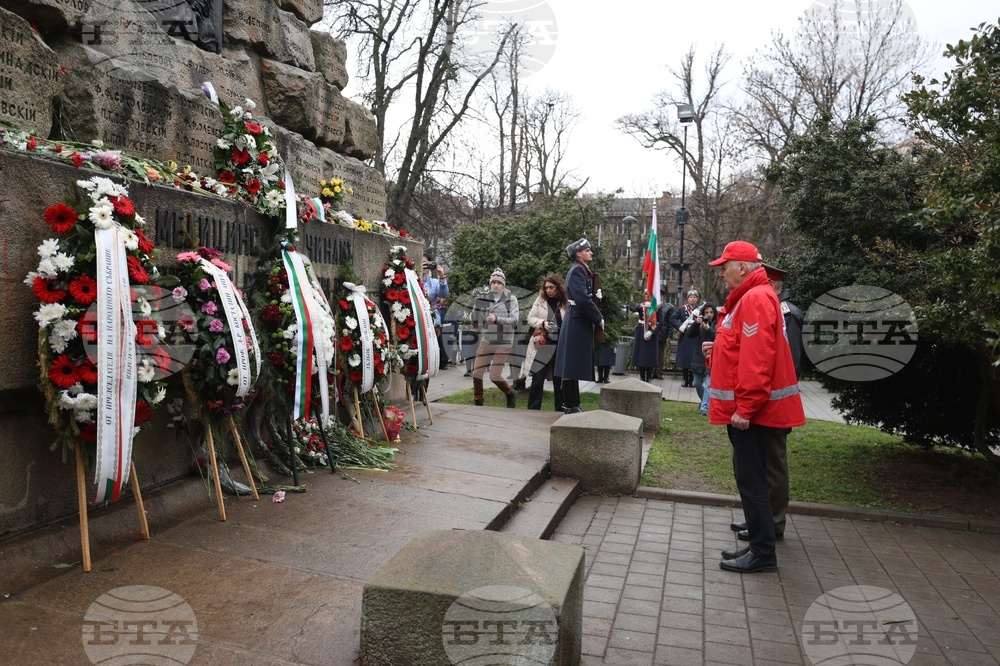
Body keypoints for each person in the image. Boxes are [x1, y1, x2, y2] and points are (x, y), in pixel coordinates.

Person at [703, 240, 805, 573]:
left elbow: (756, 361)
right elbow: (740, 354)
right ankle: (760, 545)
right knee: (752, 478)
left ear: (743, 267)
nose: (721, 274)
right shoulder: (752, 298)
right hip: (753, 410)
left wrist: (745, 409)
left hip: (753, 412)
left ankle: (762, 553)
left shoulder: (755, 299)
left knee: (752, 479)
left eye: (725, 267)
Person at [731, 264, 805, 542]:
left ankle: (773, 523)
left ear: (773, 285)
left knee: (773, 465)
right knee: (761, 464)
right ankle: (760, 520)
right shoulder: (770, 306)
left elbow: (790, 362)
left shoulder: (787, 313)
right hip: (765, 400)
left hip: (776, 403)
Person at [554, 238, 603, 414]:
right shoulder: (577, 271)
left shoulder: (583, 270)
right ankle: (569, 405)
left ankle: (573, 403)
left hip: (578, 320)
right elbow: (582, 299)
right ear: (578, 254)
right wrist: (598, 318)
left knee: (572, 365)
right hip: (576, 319)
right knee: (570, 365)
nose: (590, 252)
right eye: (587, 250)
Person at [471, 268, 519, 408]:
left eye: (499, 282)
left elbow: (515, 320)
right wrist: (477, 305)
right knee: (477, 374)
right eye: (493, 282)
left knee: (494, 376)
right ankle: (478, 401)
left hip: (503, 341)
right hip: (487, 339)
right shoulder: (485, 297)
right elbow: (475, 320)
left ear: (503, 284)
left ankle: (510, 393)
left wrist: (497, 319)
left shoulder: (511, 299)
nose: (496, 285)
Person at [523, 275, 568, 410]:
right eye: (546, 287)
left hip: (559, 344)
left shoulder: (565, 302)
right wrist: (542, 323)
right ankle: (533, 409)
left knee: (558, 380)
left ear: (558, 287)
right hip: (542, 344)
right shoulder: (541, 300)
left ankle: (560, 409)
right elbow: (530, 318)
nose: (548, 290)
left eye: (551, 287)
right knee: (537, 379)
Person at [422, 248, 450, 370]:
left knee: (431, 354)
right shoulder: (411, 280)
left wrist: (442, 276)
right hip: (416, 321)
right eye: (421, 262)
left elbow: (443, 294)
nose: (423, 266)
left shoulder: (433, 282)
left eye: (426, 263)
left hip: (432, 321)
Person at [686, 303, 716, 415]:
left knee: (709, 385)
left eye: (711, 312)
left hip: (712, 356)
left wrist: (709, 329)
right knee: (697, 383)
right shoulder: (700, 324)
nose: (709, 315)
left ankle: (704, 408)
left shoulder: (717, 324)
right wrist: (695, 323)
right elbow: (689, 334)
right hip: (699, 357)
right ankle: (705, 401)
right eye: (706, 312)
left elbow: (718, 336)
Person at [670, 289, 702, 387]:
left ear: (697, 299)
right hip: (685, 337)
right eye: (691, 297)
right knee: (685, 359)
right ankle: (685, 380)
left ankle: (692, 380)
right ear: (688, 299)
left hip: (696, 337)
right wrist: (681, 327)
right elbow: (672, 319)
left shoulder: (700, 310)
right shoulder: (681, 309)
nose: (692, 299)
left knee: (693, 358)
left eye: (694, 297)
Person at [631, 305, 659, 382]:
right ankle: (642, 377)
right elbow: (632, 308)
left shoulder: (656, 306)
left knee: (650, 356)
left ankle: (649, 377)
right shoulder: (642, 306)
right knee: (641, 355)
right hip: (641, 330)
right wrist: (639, 305)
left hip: (652, 330)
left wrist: (652, 331)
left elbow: (661, 322)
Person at [653, 296, 674, 379]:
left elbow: (670, 322)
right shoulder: (652, 305)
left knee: (660, 354)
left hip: (662, 333)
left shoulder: (668, 307)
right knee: (652, 353)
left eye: (661, 295)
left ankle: (659, 372)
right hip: (652, 332)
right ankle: (652, 371)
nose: (659, 296)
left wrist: (669, 335)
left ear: (663, 296)